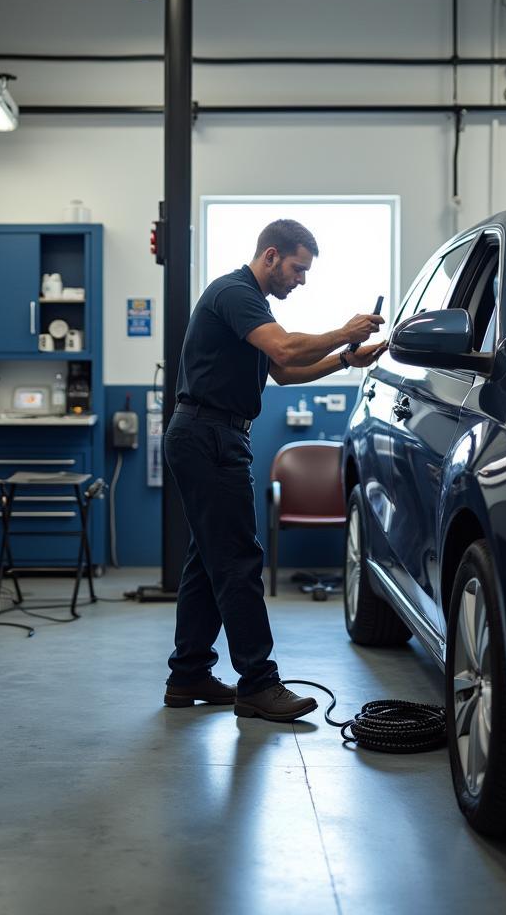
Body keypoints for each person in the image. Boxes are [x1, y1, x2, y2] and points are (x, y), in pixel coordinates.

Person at [162, 218, 387, 722]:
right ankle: (259, 683)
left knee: (208, 560)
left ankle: (188, 674)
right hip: (209, 436)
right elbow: (285, 349)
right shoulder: (235, 291)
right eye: (297, 269)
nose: (300, 280)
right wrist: (343, 331)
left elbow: (282, 371)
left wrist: (347, 360)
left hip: (213, 434)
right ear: (270, 256)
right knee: (240, 560)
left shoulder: (252, 305)